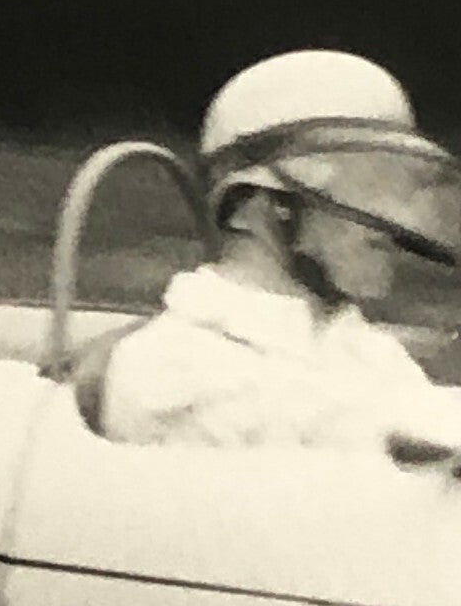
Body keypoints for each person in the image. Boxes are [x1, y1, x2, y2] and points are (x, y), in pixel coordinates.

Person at [98, 49, 461, 461]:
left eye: (401, 189)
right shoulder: (172, 366)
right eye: (367, 187)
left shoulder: (364, 349)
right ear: (266, 206)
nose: (397, 220)